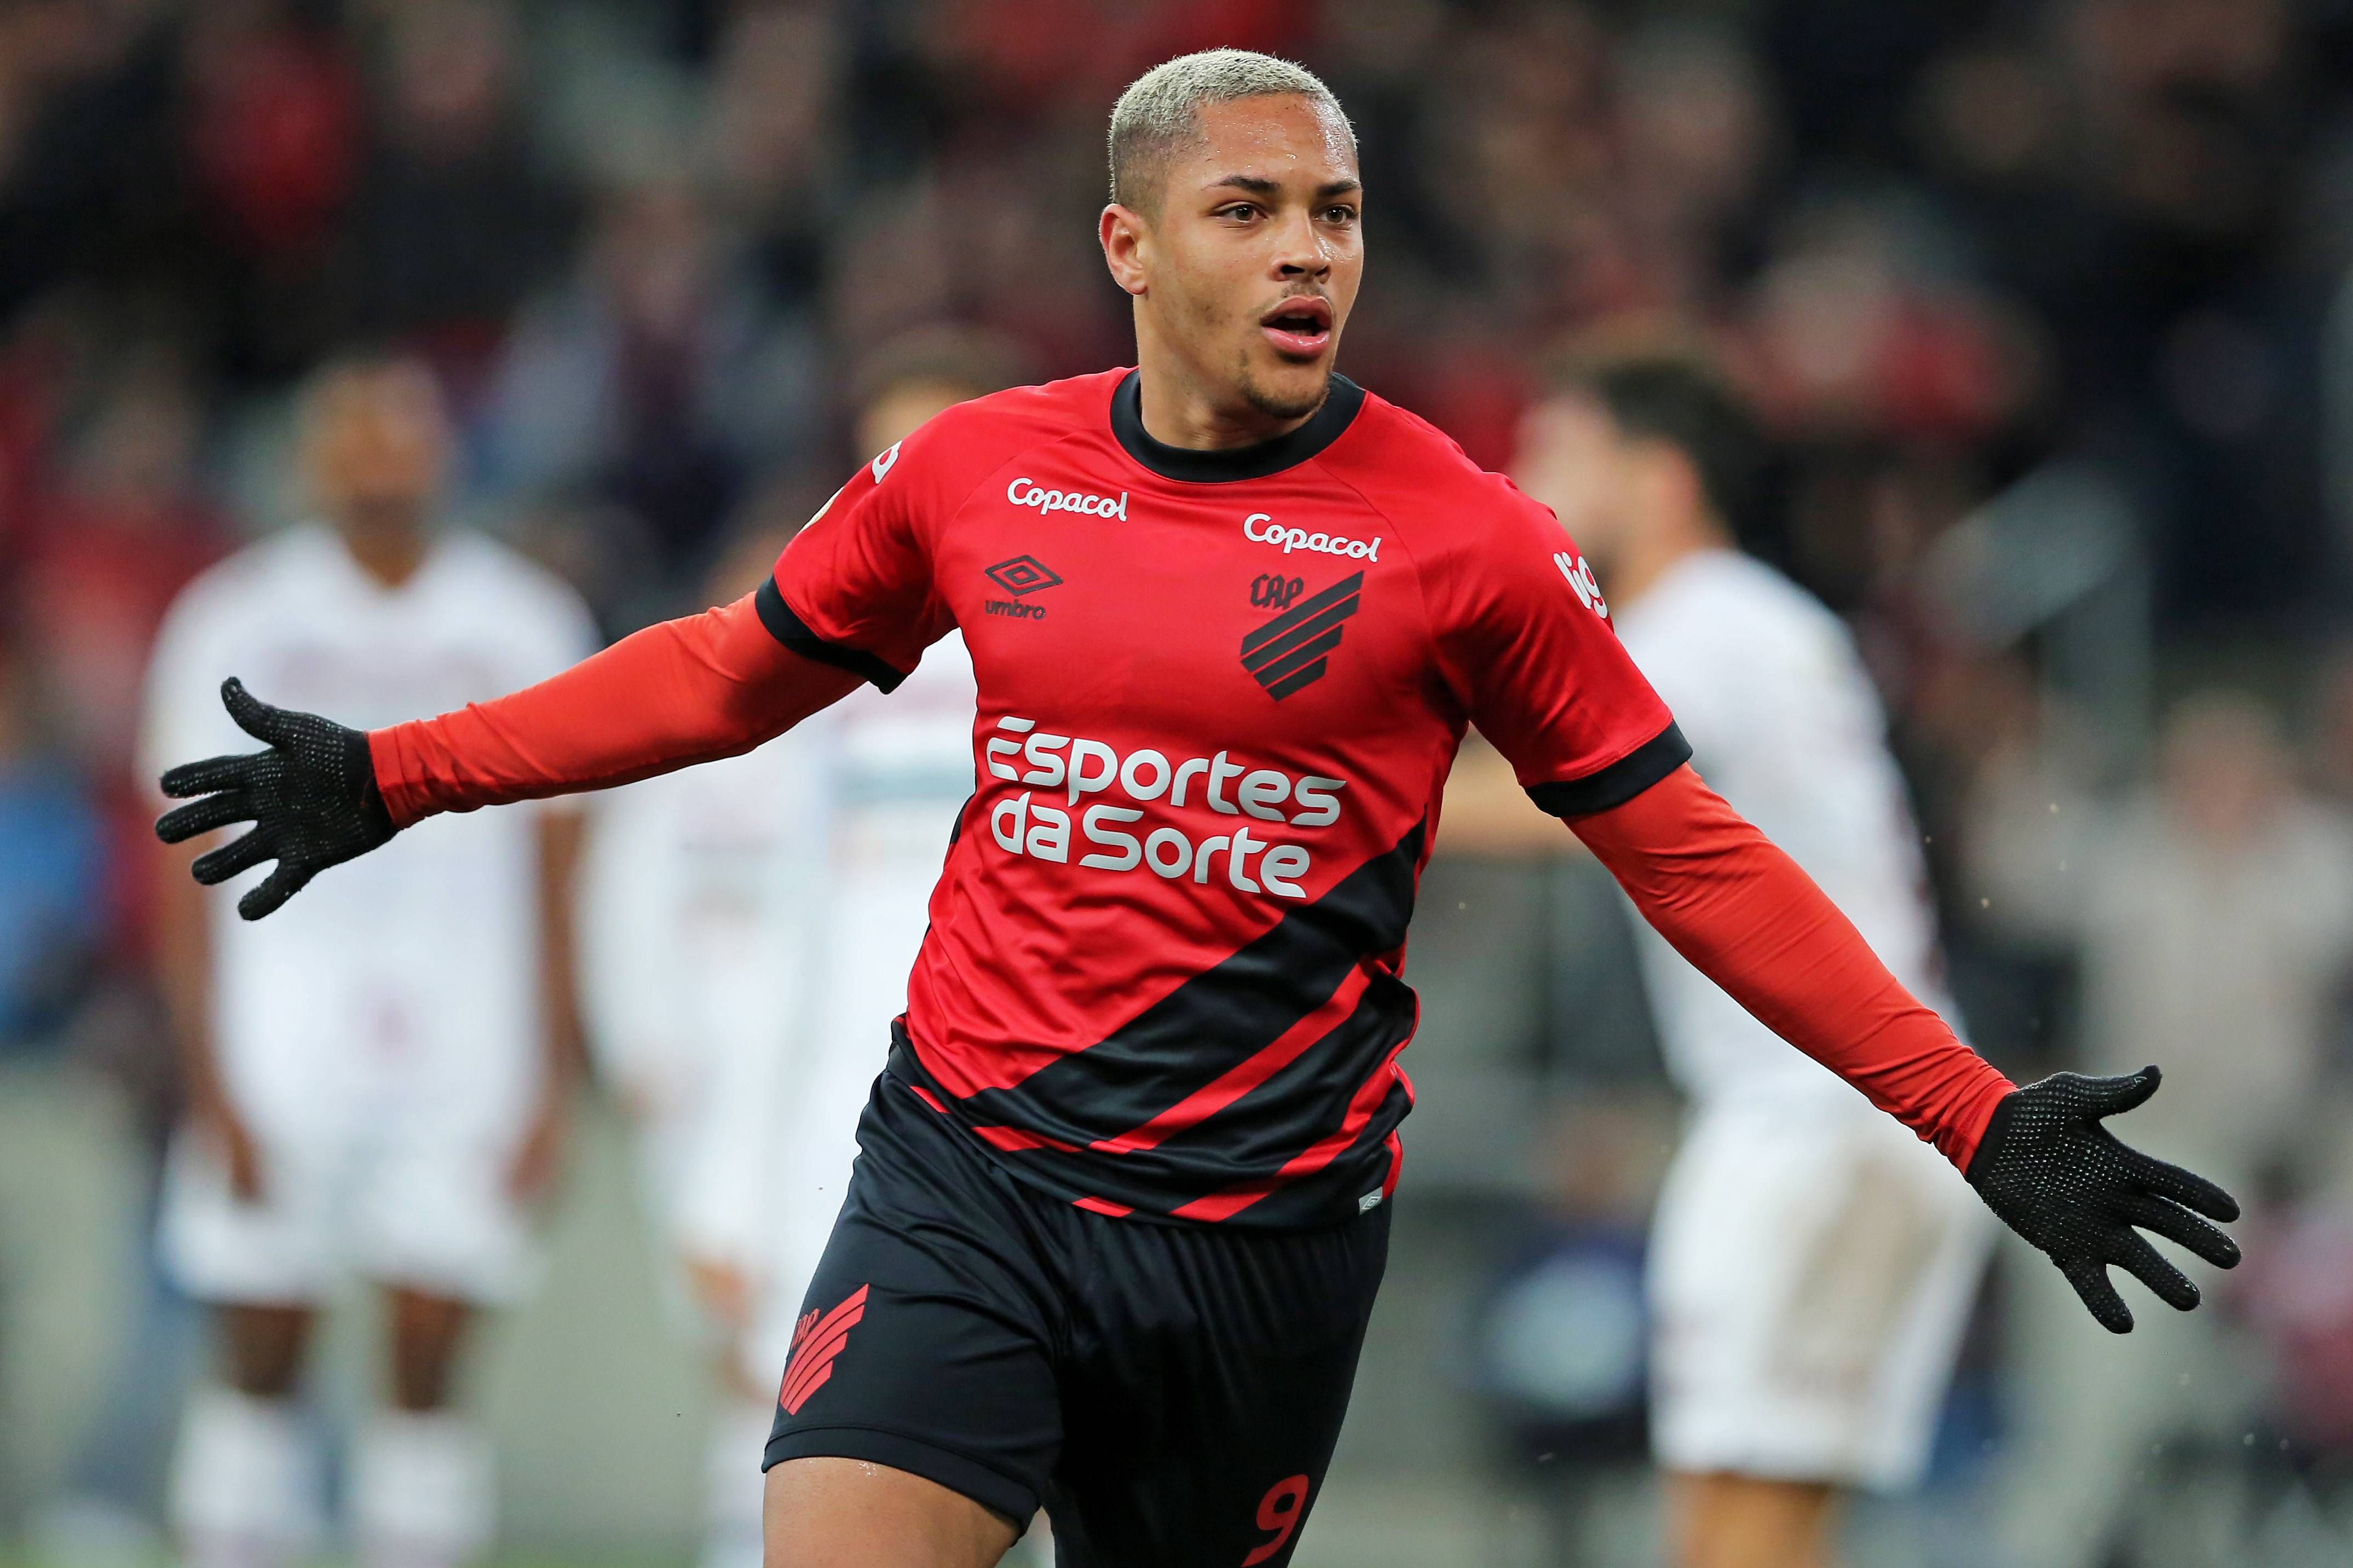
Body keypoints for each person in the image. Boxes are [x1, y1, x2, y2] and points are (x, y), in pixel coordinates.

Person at [153, 53, 2241, 1568]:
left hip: (1256, 1242)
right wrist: (395, 771)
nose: (1305, 248)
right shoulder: (975, 472)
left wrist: (1966, 1109)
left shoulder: (1468, 541)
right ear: (1127, 243)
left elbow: (1685, 853)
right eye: (1248, 209)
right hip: (961, 1179)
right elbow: (722, 670)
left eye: (1331, 208)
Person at [1493, 350, 1996, 1568]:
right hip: (1880, 1111)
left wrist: (1275, 800)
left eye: (1559, 453)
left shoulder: (1699, 622)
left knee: (1722, 1538)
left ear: (1658, 481)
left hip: (1809, 1120)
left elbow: (1540, 804)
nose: (1521, 484)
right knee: (1772, 1531)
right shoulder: (1765, 620)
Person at [141, 354, 597, 1568]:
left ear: (444, 452)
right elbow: (174, 862)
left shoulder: (525, 619)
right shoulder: (230, 616)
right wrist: (207, 1078)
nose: (378, 462)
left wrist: (553, 1076)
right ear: (309, 458)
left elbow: (565, 870)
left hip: (469, 1041)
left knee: (431, 1363)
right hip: (275, 1034)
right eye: (351, 438)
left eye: (399, 436)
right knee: (257, 1356)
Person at [581, 337, 1007, 1568]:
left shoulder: (1084, 650)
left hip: (1027, 1101)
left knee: (1013, 1457)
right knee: (780, 1427)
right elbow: (784, 929)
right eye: (893, 454)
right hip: (839, 1111)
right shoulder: (822, 664)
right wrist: (729, 1174)